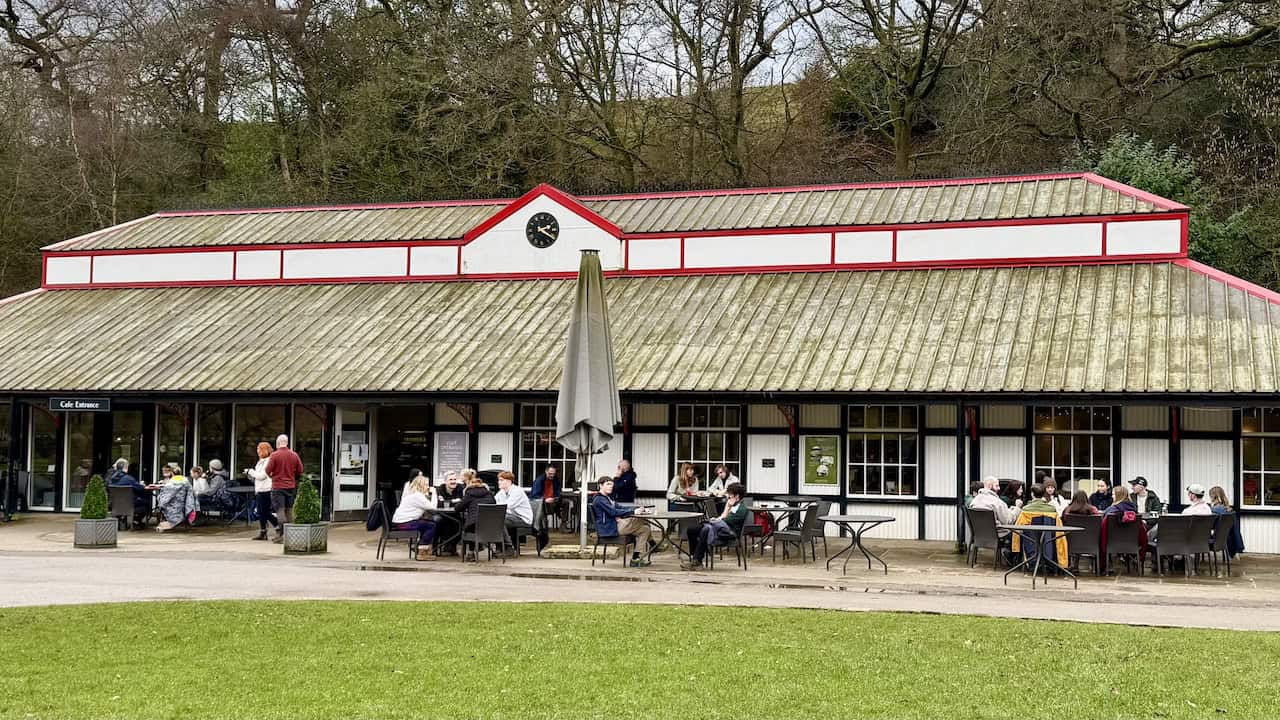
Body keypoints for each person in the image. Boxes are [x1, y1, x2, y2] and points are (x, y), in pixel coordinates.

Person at [681, 482, 748, 570]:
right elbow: (721, 520)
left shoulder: (741, 509)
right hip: (719, 528)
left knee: (706, 529)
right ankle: (695, 558)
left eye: (730, 495)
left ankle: (697, 561)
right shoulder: (732, 505)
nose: (728, 497)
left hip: (728, 534)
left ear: (737, 496)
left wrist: (727, 508)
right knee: (692, 529)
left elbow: (726, 521)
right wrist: (717, 518)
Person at [590, 477, 652, 567]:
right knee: (641, 519)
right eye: (608, 484)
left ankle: (635, 559)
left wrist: (639, 510)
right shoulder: (599, 499)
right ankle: (653, 544)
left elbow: (621, 508)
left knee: (645, 529)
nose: (611, 486)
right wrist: (634, 512)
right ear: (600, 485)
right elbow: (613, 512)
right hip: (610, 529)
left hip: (616, 525)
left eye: (612, 485)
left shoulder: (607, 498)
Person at [1011, 483, 1067, 567]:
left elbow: (1017, 530)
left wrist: (1015, 548)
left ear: (1032, 494)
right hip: (1048, 545)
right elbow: (1059, 532)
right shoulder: (1052, 510)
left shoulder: (1026, 510)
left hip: (1031, 547)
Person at [266, 434, 304, 543]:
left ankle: (282, 535)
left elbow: (268, 470)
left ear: (278, 443)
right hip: (290, 487)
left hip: (278, 487)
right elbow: (300, 470)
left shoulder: (274, 455)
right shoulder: (294, 455)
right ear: (287, 443)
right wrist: (293, 477)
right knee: (289, 510)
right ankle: (290, 536)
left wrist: (273, 477)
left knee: (280, 511)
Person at [1100, 485, 1148, 572]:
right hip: (1132, 543)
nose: (1112, 496)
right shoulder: (1134, 510)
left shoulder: (1110, 511)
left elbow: (1103, 529)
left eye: (1113, 494)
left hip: (1112, 542)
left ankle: (1106, 565)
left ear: (1118, 496)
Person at [392, 474, 439, 561]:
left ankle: (420, 547)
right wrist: (434, 493)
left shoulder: (413, 495)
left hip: (399, 523)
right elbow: (433, 507)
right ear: (421, 485)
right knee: (431, 525)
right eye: (426, 484)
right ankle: (422, 552)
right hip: (405, 524)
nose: (428, 487)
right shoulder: (418, 496)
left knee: (426, 523)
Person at [454, 469, 495, 561]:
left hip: (474, 527)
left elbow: (458, 508)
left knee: (470, 524)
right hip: (491, 527)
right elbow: (494, 506)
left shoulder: (469, 493)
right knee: (474, 522)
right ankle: (483, 548)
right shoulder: (489, 494)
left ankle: (470, 553)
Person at [244, 442, 279, 540]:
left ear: (265, 450)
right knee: (260, 512)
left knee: (265, 512)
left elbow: (262, 476)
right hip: (260, 489)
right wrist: (250, 475)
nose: (258, 451)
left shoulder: (269, 461)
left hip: (267, 489)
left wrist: (250, 471)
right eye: (257, 449)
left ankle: (278, 527)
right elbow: (257, 476)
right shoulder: (260, 461)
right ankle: (263, 532)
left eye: (259, 449)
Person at [105, 458, 151, 527]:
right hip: (129, 505)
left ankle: (122, 520)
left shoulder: (110, 479)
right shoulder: (128, 478)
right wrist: (142, 485)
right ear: (126, 468)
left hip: (115, 505)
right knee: (147, 502)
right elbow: (140, 488)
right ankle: (136, 520)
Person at [494, 470, 533, 550]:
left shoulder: (517, 491)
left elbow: (507, 506)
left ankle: (508, 547)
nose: (499, 482)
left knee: (499, 520)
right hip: (511, 516)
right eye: (499, 480)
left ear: (509, 481)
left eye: (501, 480)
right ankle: (500, 547)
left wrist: (496, 507)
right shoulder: (502, 492)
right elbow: (494, 502)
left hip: (523, 519)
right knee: (494, 519)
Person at [154, 463, 196, 532]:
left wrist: (159, 499)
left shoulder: (170, 484)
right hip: (184, 506)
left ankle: (169, 523)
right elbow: (192, 494)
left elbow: (164, 499)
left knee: (161, 502)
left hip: (173, 507)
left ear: (171, 473)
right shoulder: (186, 481)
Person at [1208, 485, 1245, 559]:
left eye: (1210, 496)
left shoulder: (1214, 510)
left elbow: (1210, 525)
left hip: (1215, 539)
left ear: (1214, 497)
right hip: (1225, 538)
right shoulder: (1228, 510)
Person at [434, 472, 464, 555]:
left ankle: (452, 546)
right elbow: (439, 504)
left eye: (455, 479)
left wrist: (446, 501)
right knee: (437, 521)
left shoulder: (460, 488)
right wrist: (453, 501)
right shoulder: (440, 489)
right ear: (445, 481)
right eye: (450, 479)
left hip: (455, 515)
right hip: (442, 515)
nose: (453, 481)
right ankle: (434, 547)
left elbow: (462, 502)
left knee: (460, 522)